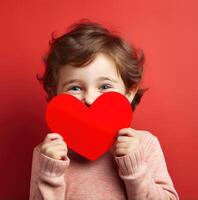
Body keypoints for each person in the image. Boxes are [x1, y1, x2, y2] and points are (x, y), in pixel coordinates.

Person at [29, 19, 179, 200]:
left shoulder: (145, 144)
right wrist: (50, 173)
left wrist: (135, 167)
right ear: (56, 95)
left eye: (105, 86)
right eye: (75, 88)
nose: (90, 99)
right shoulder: (48, 153)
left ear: (129, 92)